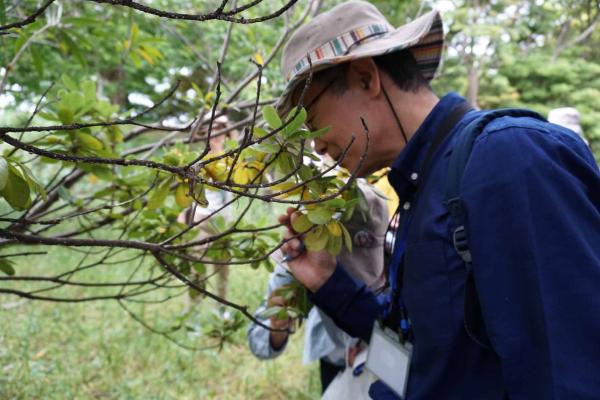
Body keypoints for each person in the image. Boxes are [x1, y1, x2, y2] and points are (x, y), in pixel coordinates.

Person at [275, 1, 600, 399]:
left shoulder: (508, 158)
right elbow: (427, 359)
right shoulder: (424, 187)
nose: (316, 143)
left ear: (365, 77)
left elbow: (569, 371)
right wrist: (327, 283)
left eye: (312, 119)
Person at [248, 181, 388, 395]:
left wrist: (372, 345)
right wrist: (277, 325)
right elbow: (260, 342)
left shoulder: (404, 262)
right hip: (335, 356)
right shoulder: (299, 261)